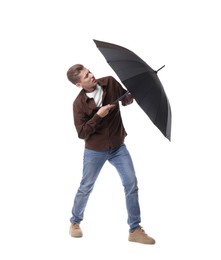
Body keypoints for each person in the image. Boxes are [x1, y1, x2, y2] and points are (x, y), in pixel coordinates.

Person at [66, 64, 155, 245]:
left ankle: (135, 230)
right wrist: (98, 115)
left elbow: (125, 100)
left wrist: (132, 94)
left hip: (118, 147)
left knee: (131, 183)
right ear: (78, 85)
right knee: (86, 186)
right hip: (94, 150)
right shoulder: (78, 104)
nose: (91, 76)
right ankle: (75, 222)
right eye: (85, 76)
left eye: (89, 72)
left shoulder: (109, 82)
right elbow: (82, 133)